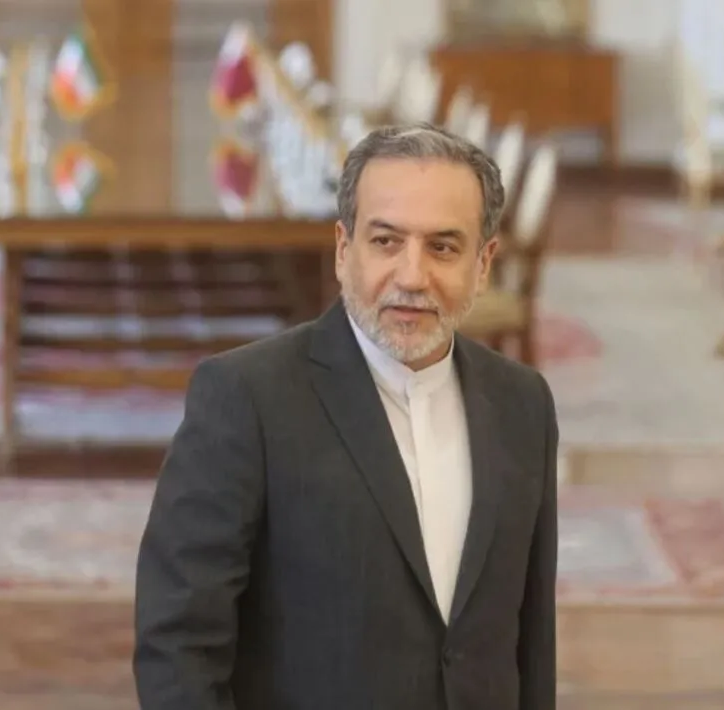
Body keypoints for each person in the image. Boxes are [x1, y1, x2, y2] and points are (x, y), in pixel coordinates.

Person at [132, 123, 558, 710]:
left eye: (443, 247)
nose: (412, 276)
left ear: (483, 264)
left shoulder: (523, 404)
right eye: (386, 242)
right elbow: (177, 645)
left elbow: (531, 643)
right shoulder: (247, 398)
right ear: (342, 249)